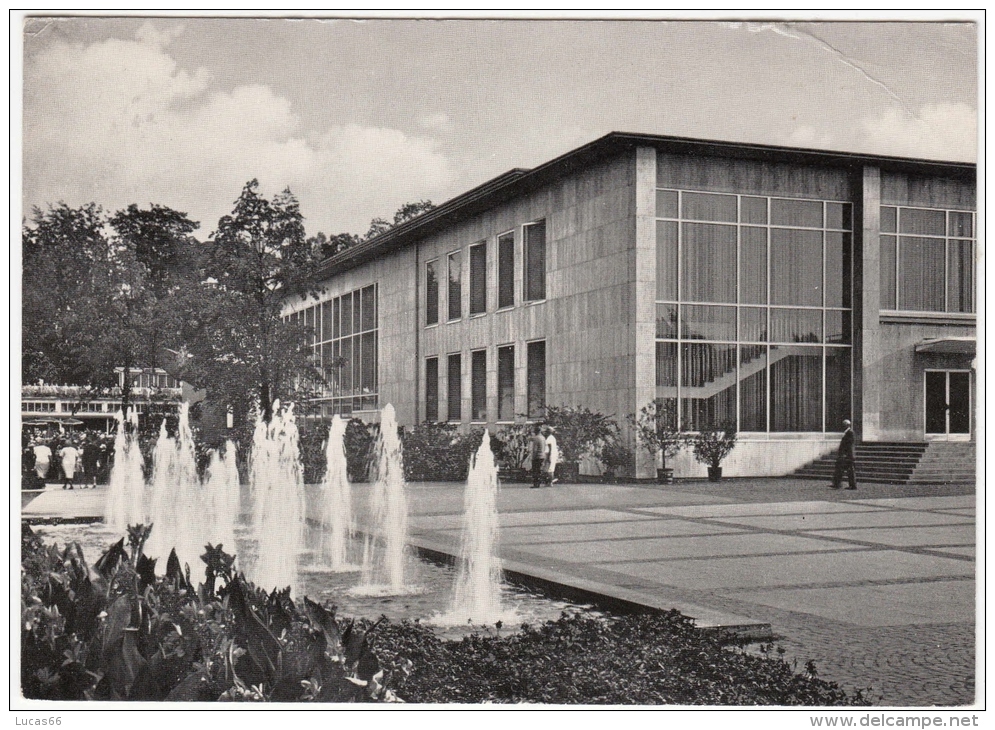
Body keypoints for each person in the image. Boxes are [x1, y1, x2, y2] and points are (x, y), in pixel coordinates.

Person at [831, 419, 857, 490]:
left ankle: (852, 485)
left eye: (844, 425)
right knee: (840, 469)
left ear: (847, 425)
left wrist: (845, 454)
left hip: (848, 455)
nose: (842, 426)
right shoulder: (847, 432)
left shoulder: (850, 433)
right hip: (846, 455)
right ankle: (837, 483)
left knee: (850, 471)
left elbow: (849, 445)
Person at [529, 424, 547, 489]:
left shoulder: (536, 438)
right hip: (542, 455)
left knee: (535, 470)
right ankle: (538, 483)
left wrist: (533, 457)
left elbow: (535, 449)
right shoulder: (543, 437)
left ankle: (536, 484)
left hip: (537, 456)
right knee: (539, 470)